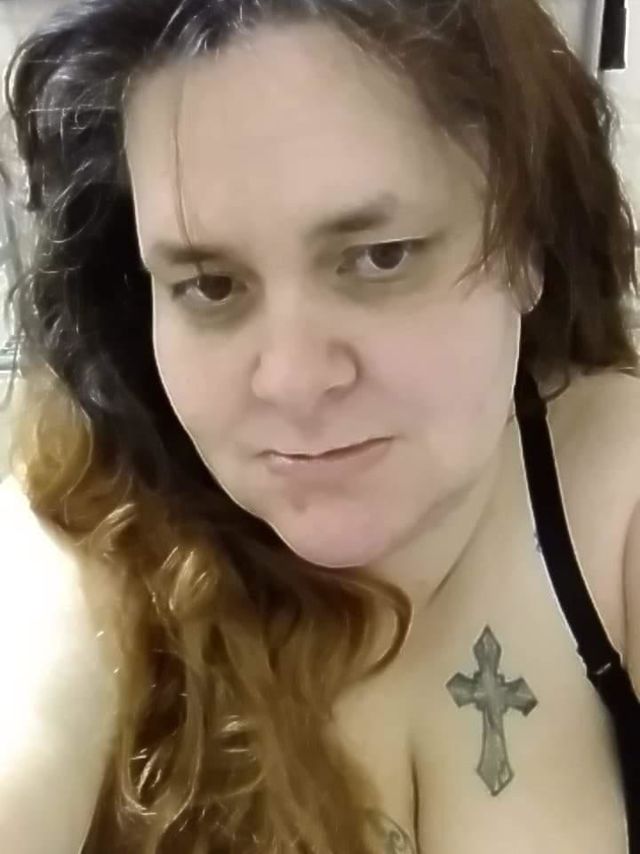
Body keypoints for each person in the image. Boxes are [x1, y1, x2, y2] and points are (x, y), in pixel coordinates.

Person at [0, 0, 639, 851]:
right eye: (212, 286)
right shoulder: (90, 533)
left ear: (523, 241)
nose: (293, 382)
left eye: (380, 257)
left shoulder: (615, 494)